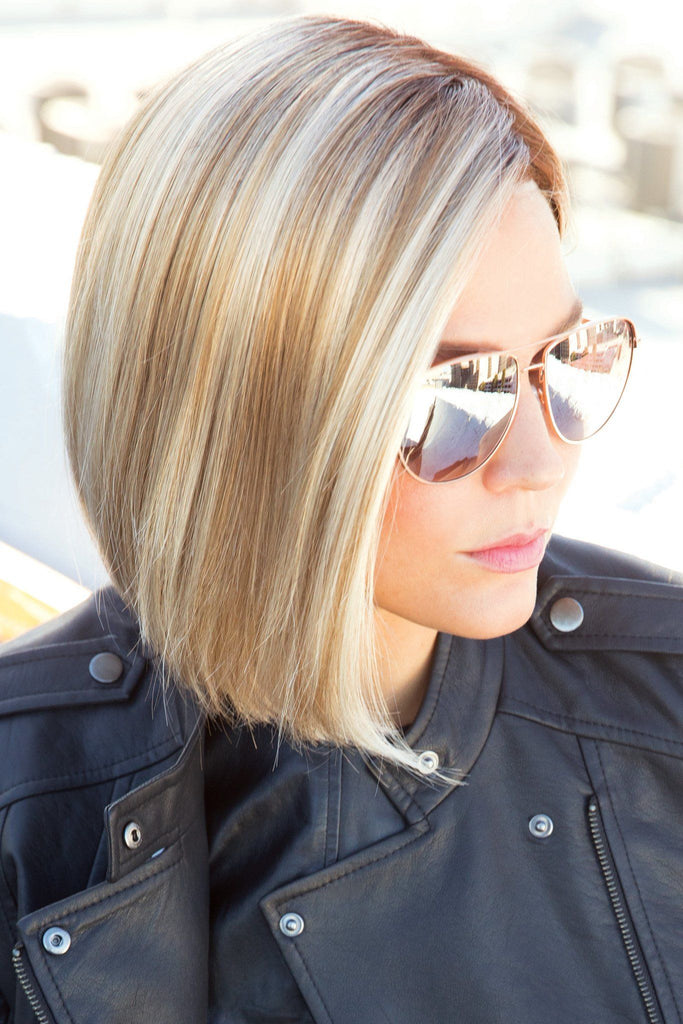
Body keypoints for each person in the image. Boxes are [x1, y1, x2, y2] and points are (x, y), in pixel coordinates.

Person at [0, 14, 681, 1024]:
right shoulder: (27, 805)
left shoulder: (658, 704)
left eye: (566, 361)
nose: (541, 464)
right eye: (457, 396)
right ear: (235, 419)